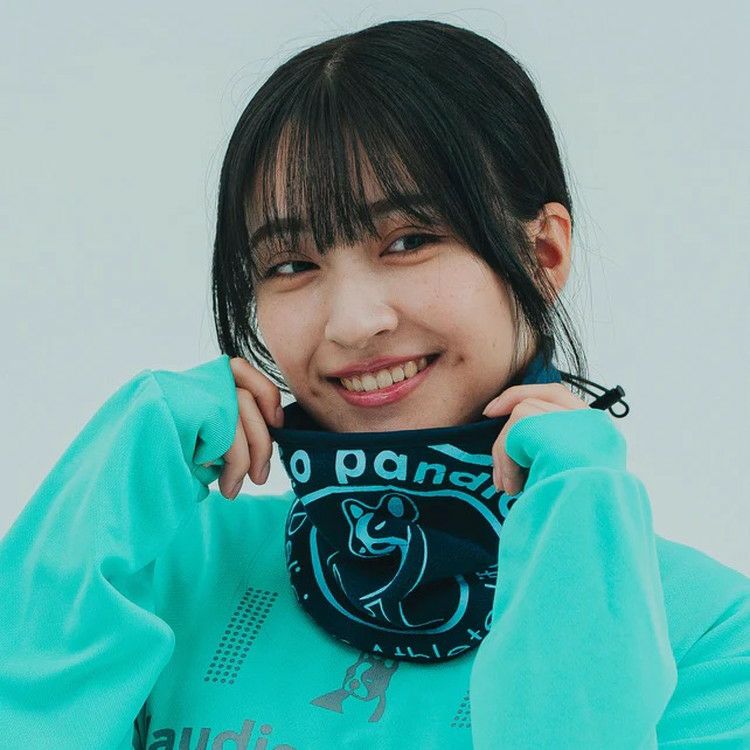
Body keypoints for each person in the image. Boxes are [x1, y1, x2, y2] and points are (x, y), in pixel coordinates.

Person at [1, 19, 748, 750]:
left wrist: (579, 557)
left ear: (543, 254)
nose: (354, 323)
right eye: (291, 264)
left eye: (409, 240)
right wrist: (97, 509)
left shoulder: (710, 633)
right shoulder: (166, 571)